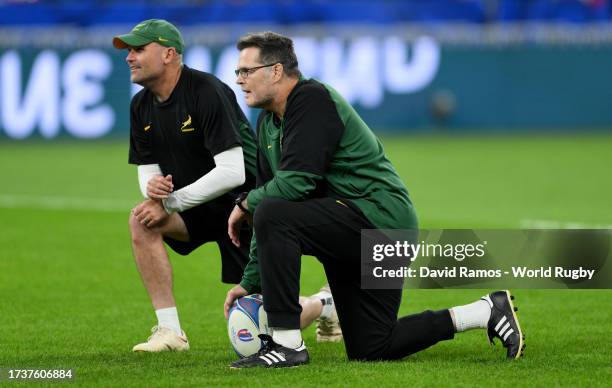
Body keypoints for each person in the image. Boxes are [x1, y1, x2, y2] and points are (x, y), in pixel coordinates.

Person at [224, 31, 525, 368]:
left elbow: (293, 187)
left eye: (246, 71)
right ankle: (484, 311)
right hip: (353, 229)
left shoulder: (311, 99)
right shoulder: (268, 123)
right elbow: (267, 204)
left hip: (381, 224)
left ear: (276, 71)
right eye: (238, 72)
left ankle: (287, 344)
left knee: (274, 212)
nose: (239, 80)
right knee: (373, 346)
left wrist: (244, 203)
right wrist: (249, 282)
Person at [113, 20, 341, 353]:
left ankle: (324, 306)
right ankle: (170, 332)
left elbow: (233, 173)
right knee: (141, 218)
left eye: (138, 49)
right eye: (128, 51)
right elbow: (147, 169)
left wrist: (173, 201)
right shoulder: (140, 106)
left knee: (265, 319)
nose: (129, 58)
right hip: (195, 206)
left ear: (168, 54)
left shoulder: (205, 90)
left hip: (245, 208)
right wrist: (154, 188)